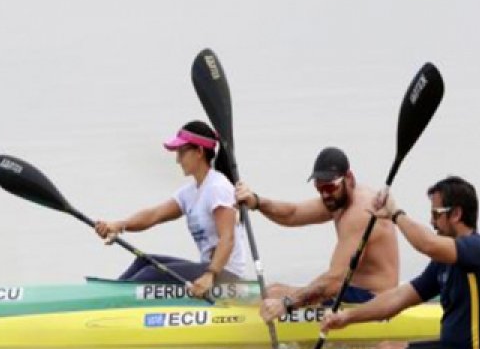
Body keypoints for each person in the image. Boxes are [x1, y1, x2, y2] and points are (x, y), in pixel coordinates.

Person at [320, 176, 480, 349]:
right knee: (385, 348)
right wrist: (346, 318)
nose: (432, 221)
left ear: (456, 214)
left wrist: (395, 214)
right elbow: (397, 298)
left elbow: (427, 244)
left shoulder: (478, 249)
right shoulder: (443, 262)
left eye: (436, 214)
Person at [234, 146, 399, 321]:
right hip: (351, 291)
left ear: (349, 178)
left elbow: (334, 282)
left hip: (373, 301)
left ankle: (237, 322)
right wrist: (257, 202)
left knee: (274, 293)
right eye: (319, 188)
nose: (325, 194)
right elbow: (293, 214)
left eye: (329, 187)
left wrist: (286, 304)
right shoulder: (340, 198)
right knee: (273, 291)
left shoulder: (359, 214)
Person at [94, 120, 247, 297]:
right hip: (207, 269)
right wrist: (119, 225)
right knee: (143, 262)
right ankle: (107, 297)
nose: (177, 160)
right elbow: (154, 215)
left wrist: (209, 275)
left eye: (181, 152)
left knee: (150, 274)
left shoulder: (218, 187)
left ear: (199, 152)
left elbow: (228, 238)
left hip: (225, 275)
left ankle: (114, 303)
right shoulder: (189, 193)